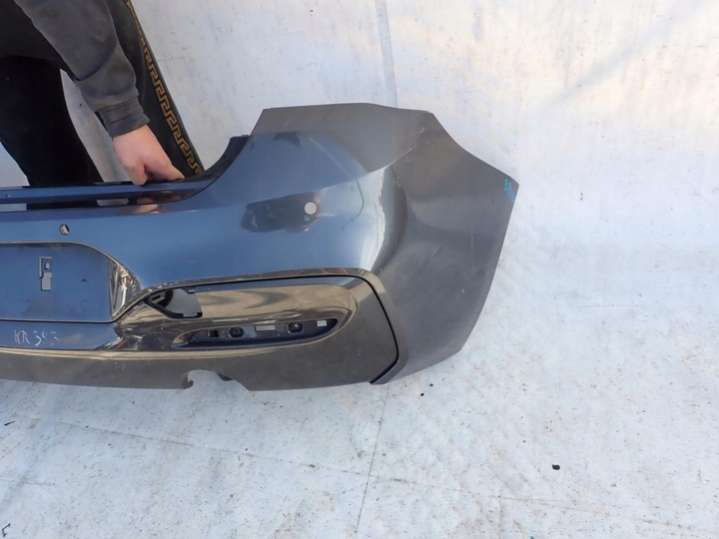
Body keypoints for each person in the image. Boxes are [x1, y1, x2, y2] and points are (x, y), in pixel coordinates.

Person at [0, 0, 203, 187]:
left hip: (84, 14)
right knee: (54, 182)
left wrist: (124, 115)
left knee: (162, 170)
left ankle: (187, 206)